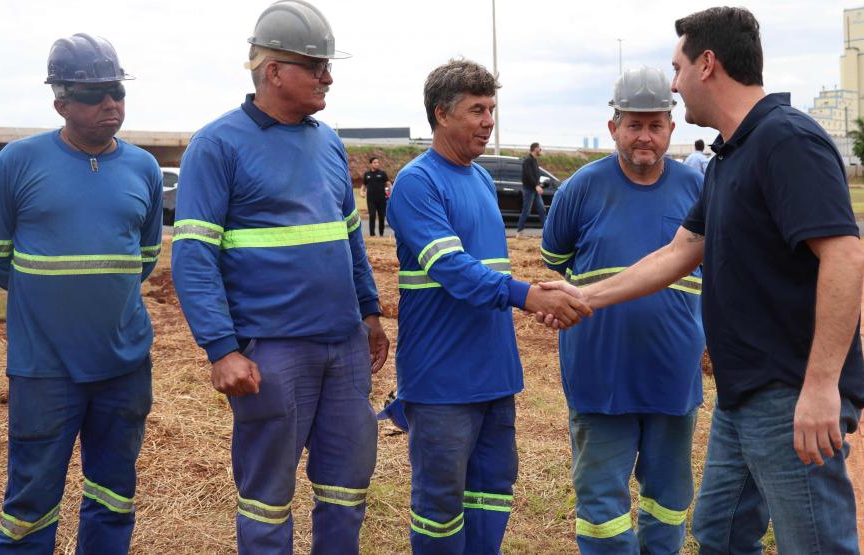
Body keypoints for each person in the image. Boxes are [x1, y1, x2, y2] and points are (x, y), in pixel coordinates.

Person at [540, 7, 864, 554]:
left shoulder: (785, 141)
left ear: (707, 64)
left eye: (677, 67)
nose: (674, 83)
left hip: (790, 391)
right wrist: (583, 296)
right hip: (742, 395)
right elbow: (680, 251)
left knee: (814, 542)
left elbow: (846, 257)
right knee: (718, 530)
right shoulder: (730, 157)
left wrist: (819, 387)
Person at [171, 2, 389, 553]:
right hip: (272, 351)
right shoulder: (217, 146)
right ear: (273, 71)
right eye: (316, 66)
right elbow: (193, 257)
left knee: (347, 486)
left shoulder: (327, 141)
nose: (328, 77)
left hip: (343, 348)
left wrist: (370, 314)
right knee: (267, 497)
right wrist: (221, 350)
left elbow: (349, 239)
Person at [387, 58, 591, 555]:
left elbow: (492, 273)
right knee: (439, 503)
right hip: (441, 381)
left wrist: (535, 291)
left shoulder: (478, 178)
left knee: (492, 492)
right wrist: (526, 295)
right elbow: (453, 269)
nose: (488, 121)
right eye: (477, 110)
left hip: (494, 373)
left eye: (491, 109)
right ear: (441, 114)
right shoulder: (418, 183)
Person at [0, 33, 162, 554]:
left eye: (117, 92)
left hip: (124, 365)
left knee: (114, 492)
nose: (111, 105)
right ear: (61, 102)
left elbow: (144, 258)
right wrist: (44, 293)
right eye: (95, 95)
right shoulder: (17, 162)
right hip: (45, 368)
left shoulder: (143, 168)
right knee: (32, 497)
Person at [541, 66, 704, 554]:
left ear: (672, 129)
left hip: (672, 373)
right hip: (599, 371)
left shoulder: (696, 190)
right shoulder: (581, 189)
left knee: (670, 497)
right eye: (634, 124)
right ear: (613, 127)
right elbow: (555, 262)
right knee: (601, 500)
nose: (645, 137)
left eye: (655, 125)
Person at [515, 142, 547, 238]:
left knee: (542, 210)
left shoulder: (534, 160)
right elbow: (528, 175)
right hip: (529, 189)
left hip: (534, 189)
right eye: (539, 149)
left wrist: (539, 184)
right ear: (535, 149)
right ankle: (519, 232)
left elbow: (534, 175)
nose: (540, 150)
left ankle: (547, 231)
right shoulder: (528, 161)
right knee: (526, 211)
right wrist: (536, 185)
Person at [361, 156, 391, 236]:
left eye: (378, 162)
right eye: (375, 162)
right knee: (372, 215)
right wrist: (362, 192)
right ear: (371, 164)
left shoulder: (382, 174)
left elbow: (388, 184)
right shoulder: (367, 174)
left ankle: (381, 234)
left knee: (381, 217)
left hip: (381, 199)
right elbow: (363, 186)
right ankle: (372, 234)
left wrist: (391, 194)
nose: (377, 164)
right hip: (371, 199)